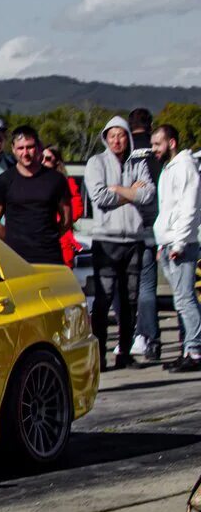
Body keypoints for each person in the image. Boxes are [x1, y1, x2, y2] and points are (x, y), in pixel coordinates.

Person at [83, 115, 156, 370]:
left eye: (121, 135)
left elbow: (147, 194)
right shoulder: (96, 162)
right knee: (103, 301)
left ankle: (124, 352)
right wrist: (131, 193)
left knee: (130, 300)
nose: (117, 140)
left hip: (134, 240)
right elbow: (100, 196)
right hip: (106, 240)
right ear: (106, 138)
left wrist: (119, 189)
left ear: (128, 137)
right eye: (112, 135)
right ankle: (100, 354)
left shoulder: (137, 162)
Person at [150, 124, 201, 372]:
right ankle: (188, 348)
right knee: (181, 300)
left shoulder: (185, 166)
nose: (153, 149)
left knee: (185, 299)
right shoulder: (169, 169)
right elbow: (168, 208)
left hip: (181, 245)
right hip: (169, 243)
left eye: (157, 144)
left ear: (171, 143)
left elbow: (189, 207)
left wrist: (179, 242)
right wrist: (163, 243)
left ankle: (195, 350)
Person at [0, 126, 72, 268]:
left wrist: (47, 238)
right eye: (20, 148)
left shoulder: (57, 180)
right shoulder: (3, 181)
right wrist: (14, 240)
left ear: (38, 147)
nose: (25, 153)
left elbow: (66, 220)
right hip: (15, 259)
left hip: (50, 257)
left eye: (30, 147)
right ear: (13, 149)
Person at [128, 108, 163, 361]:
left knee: (129, 287)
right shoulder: (157, 152)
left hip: (129, 225)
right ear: (150, 126)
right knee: (148, 285)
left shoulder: (124, 151)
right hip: (156, 223)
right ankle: (151, 339)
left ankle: (135, 337)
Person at [42, 145, 84, 266]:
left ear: (57, 160)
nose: (43, 161)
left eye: (48, 158)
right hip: (41, 236)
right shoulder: (34, 180)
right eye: (41, 158)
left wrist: (63, 220)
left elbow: (77, 206)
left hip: (62, 236)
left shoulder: (66, 181)